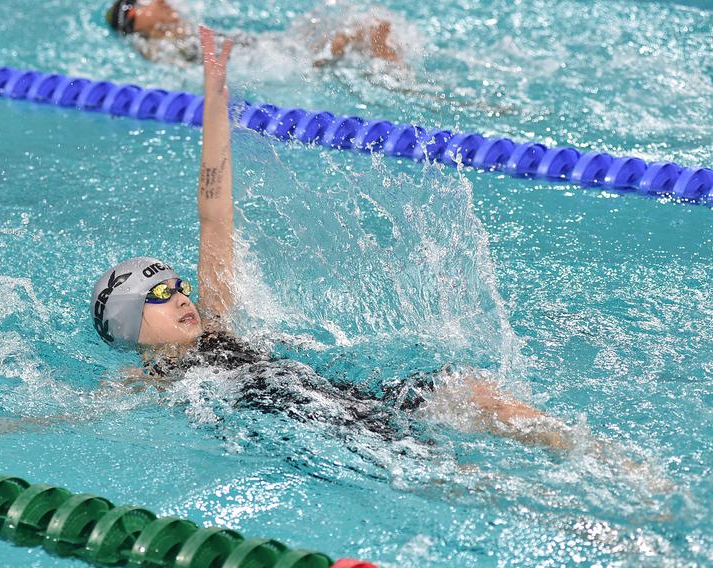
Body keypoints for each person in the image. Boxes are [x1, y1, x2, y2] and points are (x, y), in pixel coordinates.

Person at [90, 26, 576, 451]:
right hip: (326, 436)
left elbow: (215, 217)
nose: (179, 297)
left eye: (179, 286)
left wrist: (216, 101)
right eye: (158, 293)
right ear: (127, 323)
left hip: (352, 401)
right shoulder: (147, 381)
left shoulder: (217, 323)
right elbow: (79, 415)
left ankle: (600, 457)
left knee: (467, 388)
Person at [103, 0, 403, 68]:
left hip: (271, 50)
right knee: (358, 32)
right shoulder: (163, 48)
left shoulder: (179, 31)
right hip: (271, 63)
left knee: (363, 30)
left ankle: (393, 73)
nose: (159, 1)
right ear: (134, 17)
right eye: (144, 2)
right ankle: (400, 79)